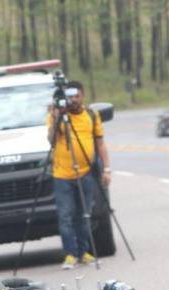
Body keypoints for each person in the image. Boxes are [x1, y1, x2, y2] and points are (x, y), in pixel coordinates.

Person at [46, 81, 111, 270]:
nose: (73, 100)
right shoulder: (56, 115)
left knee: (85, 214)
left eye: (76, 95)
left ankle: (84, 252)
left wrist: (106, 169)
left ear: (82, 96)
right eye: (70, 96)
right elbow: (51, 140)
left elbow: (100, 144)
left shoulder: (91, 114)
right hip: (62, 175)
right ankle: (70, 254)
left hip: (86, 173)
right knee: (65, 216)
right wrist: (56, 117)